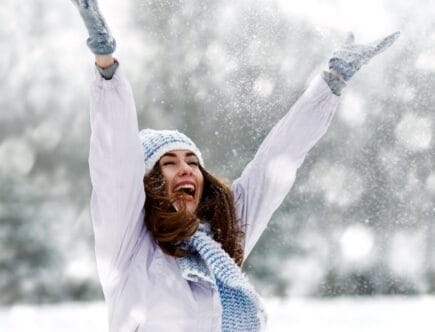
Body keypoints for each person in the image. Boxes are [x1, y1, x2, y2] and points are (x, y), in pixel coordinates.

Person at [71, 1, 399, 331]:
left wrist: (331, 82)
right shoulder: (128, 245)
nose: (186, 169)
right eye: (168, 163)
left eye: (193, 162)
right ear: (148, 182)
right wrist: (107, 69)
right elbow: (114, 169)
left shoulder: (222, 239)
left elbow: (276, 161)